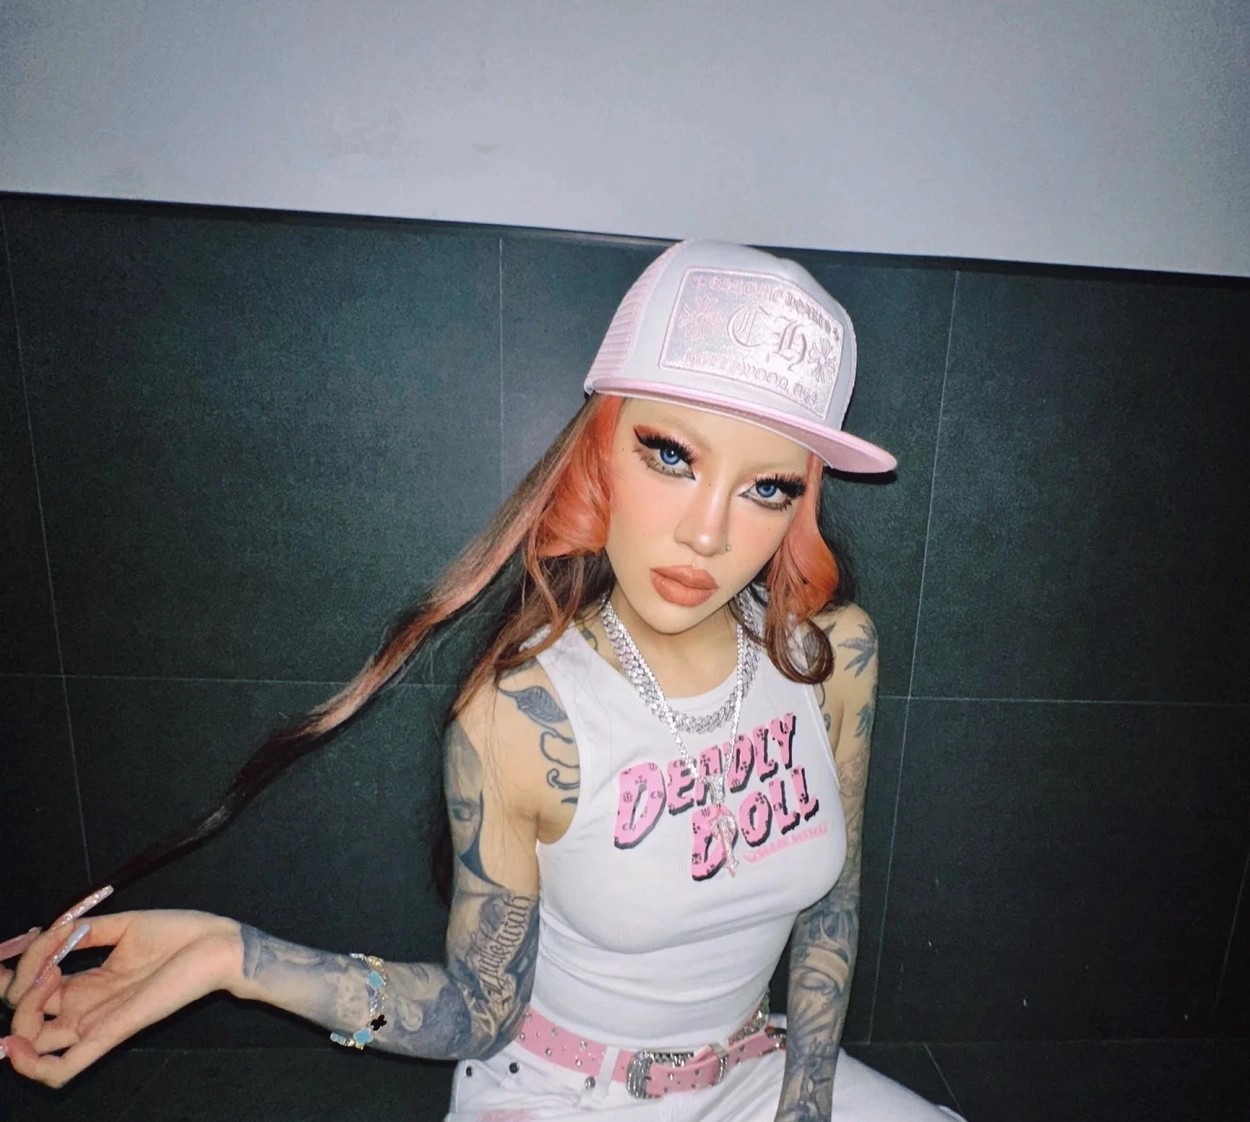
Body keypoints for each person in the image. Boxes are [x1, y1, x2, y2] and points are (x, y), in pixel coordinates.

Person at [1, 240, 963, 1120]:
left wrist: (804, 1107)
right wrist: (233, 959)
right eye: (671, 455)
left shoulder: (834, 657)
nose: (708, 533)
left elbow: (832, 904)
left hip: (756, 1074)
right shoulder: (524, 712)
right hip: (563, 1096)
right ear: (601, 449)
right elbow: (477, 1007)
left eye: (767, 487)